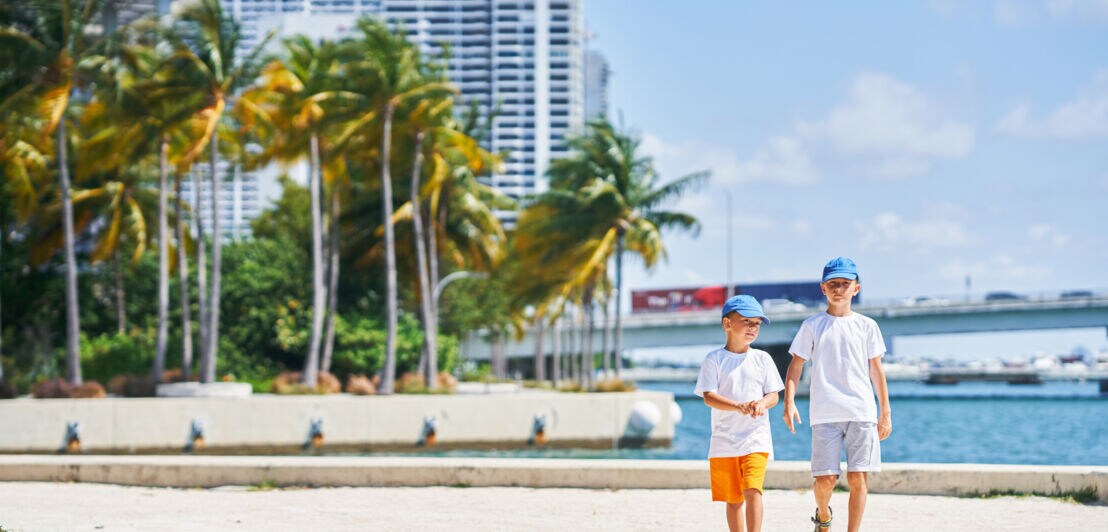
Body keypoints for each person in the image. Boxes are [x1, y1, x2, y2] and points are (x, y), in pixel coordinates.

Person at [782, 257, 892, 532]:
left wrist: (885, 413)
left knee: (858, 478)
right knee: (825, 480)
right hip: (825, 413)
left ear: (856, 288)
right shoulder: (812, 325)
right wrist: (789, 401)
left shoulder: (868, 326)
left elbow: (877, 371)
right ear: (823, 288)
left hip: (861, 412)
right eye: (833, 284)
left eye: (845, 283)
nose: (839, 289)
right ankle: (823, 516)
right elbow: (796, 365)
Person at [694, 295, 784, 532]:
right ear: (727, 323)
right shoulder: (714, 360)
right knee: (733, 500)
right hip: (724, 441)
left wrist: (762, 403)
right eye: (746, 321)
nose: (753, 327)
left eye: (757, 323)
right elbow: (708, 397)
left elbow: (774, 395)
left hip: (756, 439)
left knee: (753, 490)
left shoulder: (762, 359)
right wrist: (738, 406)